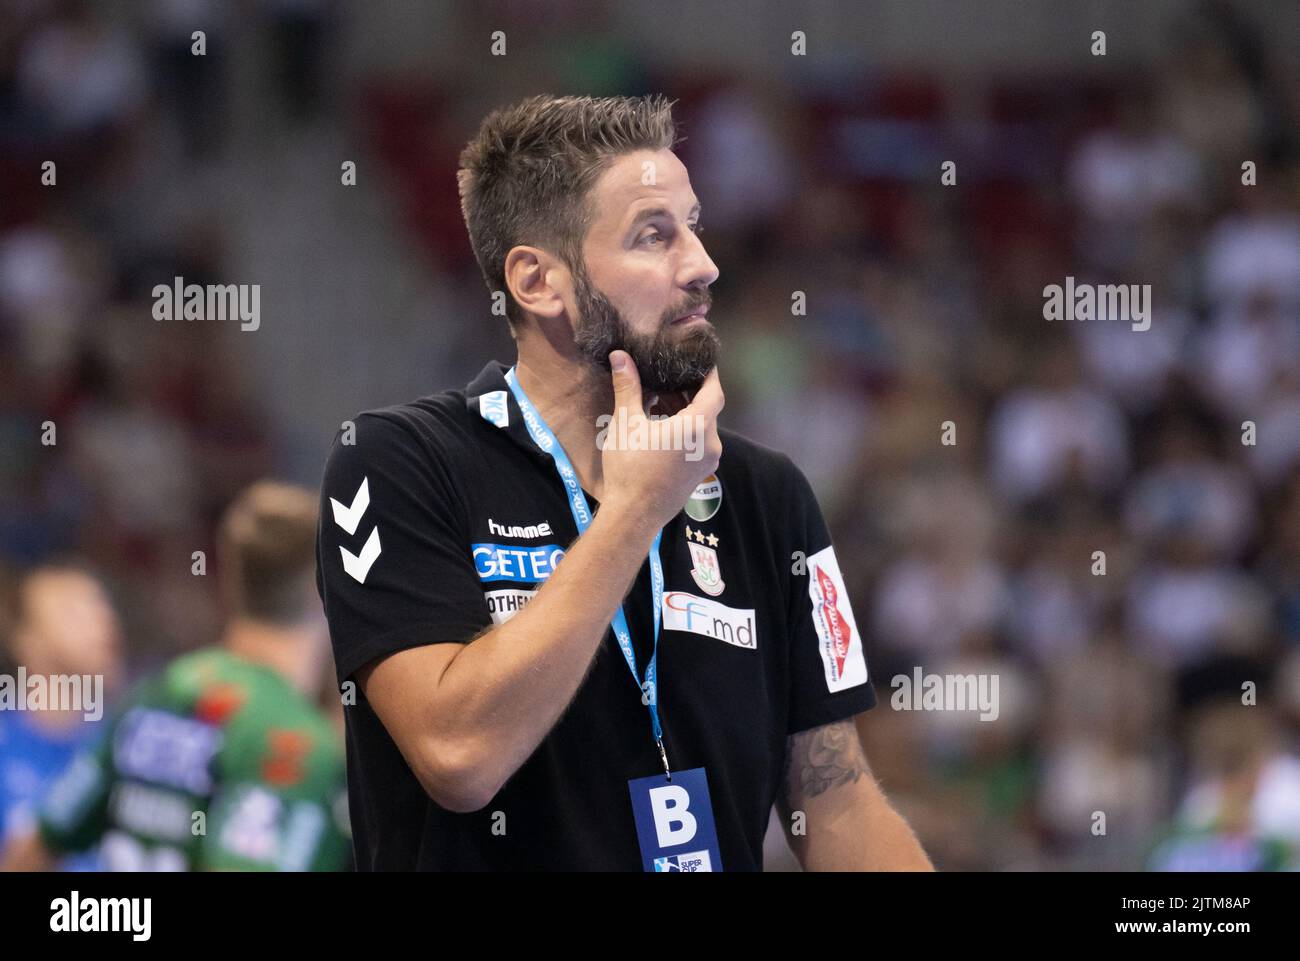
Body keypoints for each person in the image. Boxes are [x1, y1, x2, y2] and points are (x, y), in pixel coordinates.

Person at [316, 94, 933, 871]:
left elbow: (838, 800)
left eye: (695, 226)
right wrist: (636, 507)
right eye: (654, 235)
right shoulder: (398, 462)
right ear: (540, 282)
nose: (704, 265)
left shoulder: (767, 495)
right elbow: (458, 755)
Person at [1, 482, 349, 871]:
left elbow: (29, 853)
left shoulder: (156, 694)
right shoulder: (294, 744)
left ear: (230, 578)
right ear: (324, 590)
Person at [0, 562, 122, 871]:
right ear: (26, 639)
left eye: (101, 606)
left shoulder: (125, 745)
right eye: (74, 610)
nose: (103, 621)